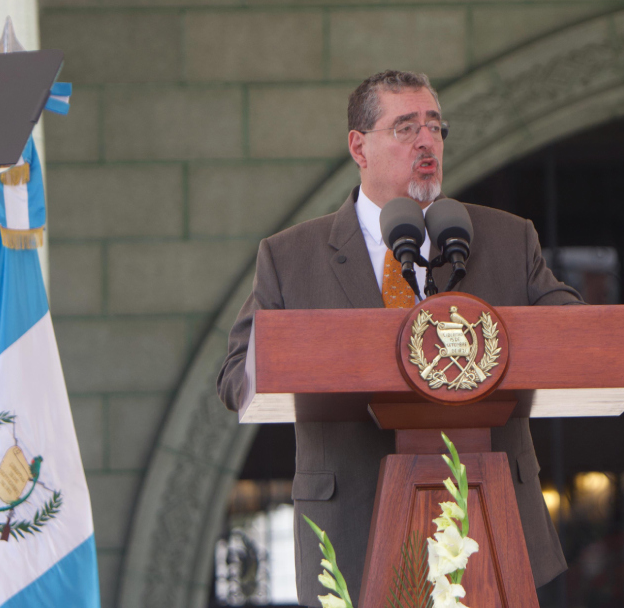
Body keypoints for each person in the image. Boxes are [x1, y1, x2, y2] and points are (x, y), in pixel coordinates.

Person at [217, 70, 582, 606]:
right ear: (358, 147)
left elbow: (574, 336)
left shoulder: (505, 238)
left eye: (435, 126)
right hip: (353, 525)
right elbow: (235, 377)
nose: (426, 140)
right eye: (405, 126)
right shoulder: (291, 256)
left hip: (492, 522)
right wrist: (332, 356)